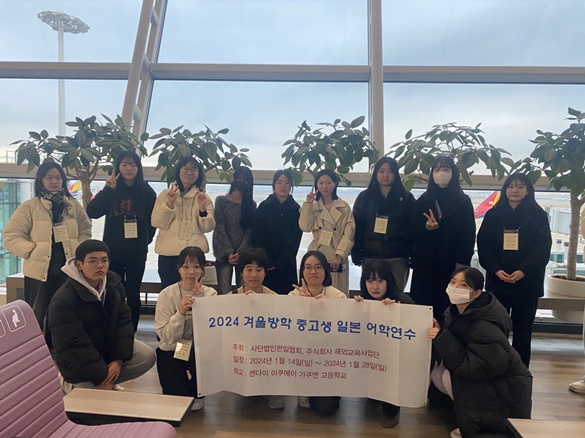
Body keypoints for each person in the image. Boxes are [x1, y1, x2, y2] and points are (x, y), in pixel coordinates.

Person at [428, 266, 532, 438]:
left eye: (463, 285)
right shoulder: (459, 311)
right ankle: (467, 414)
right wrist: (441, 331)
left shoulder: (485, 326)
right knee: (438, 373)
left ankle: (478, 421)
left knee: (447, 376)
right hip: (490, 377)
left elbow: (475, 367)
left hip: (504, 388)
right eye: (453, 282)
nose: (455, 287)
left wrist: (442, 337)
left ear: (476, 293)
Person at [47, 240, 156, 393]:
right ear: (79, 264)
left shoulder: (113, 283)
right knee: (94, 400)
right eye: (93, 261)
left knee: (146, 356)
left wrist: (118, 360)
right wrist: (100, 376)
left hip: (104, 348)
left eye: (104, 260)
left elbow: (124, 322)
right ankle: (71, 384)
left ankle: (105, 382)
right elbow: (74, 345)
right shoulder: (63, 300)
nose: (100, 265)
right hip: (76, 359)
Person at [4, 161, 91, 331]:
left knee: (63, 314)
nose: (54, 181)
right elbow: (11, 235)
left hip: (68, 269)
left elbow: (85, 230)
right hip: (39, 272)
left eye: (58, 178)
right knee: (36, 314)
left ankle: (57, 345)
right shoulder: (31, 206)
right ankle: (36, 346)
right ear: (40, 180)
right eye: (49, 177)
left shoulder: (72, 205)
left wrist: (79, 251)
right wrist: (32, 251)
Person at [477, 173, 552, 368]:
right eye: (511, 186)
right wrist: (496, 269)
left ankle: (519, 373)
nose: (515, 190)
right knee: (496, 330)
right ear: (505, 190)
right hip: (498, 280)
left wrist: (523, 271)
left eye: (520, 186)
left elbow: (542, 249)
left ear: (527, 190)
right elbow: (484, 245)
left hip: (527, 282)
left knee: (523, 332)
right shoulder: (493, 215)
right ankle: (496, 368)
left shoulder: (538, 216)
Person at [86, 151, 157, 331]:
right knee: (114, 291)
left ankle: (131, 331)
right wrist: (107, 190)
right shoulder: (112, 189)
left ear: (138, 168)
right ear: (118, 167)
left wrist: (145, 240)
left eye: (133, 165)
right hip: (113, 252)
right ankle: (113, 329)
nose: (129, 168)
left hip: (137, 253)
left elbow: (154, 221)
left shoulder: (147, 191)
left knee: (133, 293)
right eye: (124, 164)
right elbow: (92, 212)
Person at [410, 156, 475, 322]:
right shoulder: (423, 201)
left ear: (453, 173)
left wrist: (462, 266)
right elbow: (412, 233)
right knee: (423, 313)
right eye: (437, 169)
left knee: (449, 312)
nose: (441, 173)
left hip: (452, 267)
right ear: (432, 173)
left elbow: (468, 236)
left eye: (446, 169)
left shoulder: (463, 202)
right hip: (425, 268)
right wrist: (426, 228)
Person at [353, 259, 414, 428]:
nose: (375, 286)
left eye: (380, 281)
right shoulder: (360, 301)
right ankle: (373, 392)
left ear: (389, 281)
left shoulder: (403, 301)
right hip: (371, 357)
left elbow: (415, 332)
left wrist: (398, 312)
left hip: (395, 359)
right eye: (370, 281)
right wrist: (355, 310)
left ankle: (391, 409)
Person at [154, 246, 217, 411]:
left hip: (199, 348)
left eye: (196, 266)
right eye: (186, 266)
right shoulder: (166, 294)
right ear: (178, 269)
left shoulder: (210, 294)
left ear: (203, 269)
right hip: (173, 347)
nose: (191, 272)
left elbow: (212, 334)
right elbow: (165, 336)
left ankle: (197, 392)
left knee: (203, 357)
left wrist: (201, 302)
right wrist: (180, 312)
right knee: (175, 397)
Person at [289, 250, 346, 415]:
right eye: (308, 267)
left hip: (328, 359)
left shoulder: (338, 297)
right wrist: (303, 307)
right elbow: (289, 332)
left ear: (325, 271)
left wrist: (327, 309)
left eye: (318, 267)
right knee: (304, 406)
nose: (313, 272)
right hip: (302, 356)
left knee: (326, 409)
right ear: (302, 271)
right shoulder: (293, 296)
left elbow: (343, 334)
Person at [351, 157, 415, 292]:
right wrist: (356, 251)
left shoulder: (406, 198)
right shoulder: (364, 197)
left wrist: (413, 255)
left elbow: (413, 230)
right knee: (372, 294)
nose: (386, 175)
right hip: (371, 256)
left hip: (398, 257)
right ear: (376, 173)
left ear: (396, 174)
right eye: (382, 171)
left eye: (390, 171)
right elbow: (357, 227)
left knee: (396, 296)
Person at [152, 156, 215, 290]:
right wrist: (169, 204)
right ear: (178, 171)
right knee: (169, 292)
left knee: (194, 292)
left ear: (198, 174)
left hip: (194, 255)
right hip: (169, 255)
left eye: (194, 169)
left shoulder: (203, 197)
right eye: (186, 168)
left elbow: (208, 228)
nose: (189, 172)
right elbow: (157, 223)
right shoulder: (166, 194)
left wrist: (202, 209)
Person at [299, 169, 355, 294]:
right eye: (321, 183)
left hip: (337, 255)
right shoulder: (313, 206)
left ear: (335, 184)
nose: (325, 186)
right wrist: (308, 204)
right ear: (316, 185)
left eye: (329, 182)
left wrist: (339, 256)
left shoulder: (344, 206)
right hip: (318, 254)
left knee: (337, 294)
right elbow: (305, 227)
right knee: (315, 292)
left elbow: (349, 234)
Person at [253, 170, 302, 295]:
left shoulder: (296, 209)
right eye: (279, 182)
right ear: (274, 185)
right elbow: (258, 236)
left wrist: (281, 262)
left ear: (291, 186)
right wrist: (267, 260)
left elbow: (295, 240)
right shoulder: (264, 207)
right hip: (266, 264)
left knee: (287, 300)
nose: (283, 186)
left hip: (287, 265)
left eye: (287, 183)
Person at [212, 166, 256, 294]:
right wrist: (229, 253)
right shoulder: (221, 201)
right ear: (233, 178)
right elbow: (219, 228)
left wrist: (241, 252)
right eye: (240, 178)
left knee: (244, 292)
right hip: (224, 255)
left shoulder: (251, 205)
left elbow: (249, 231)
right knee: (224, 292)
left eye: (246, 180)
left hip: (243, 255)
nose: (242, 182)